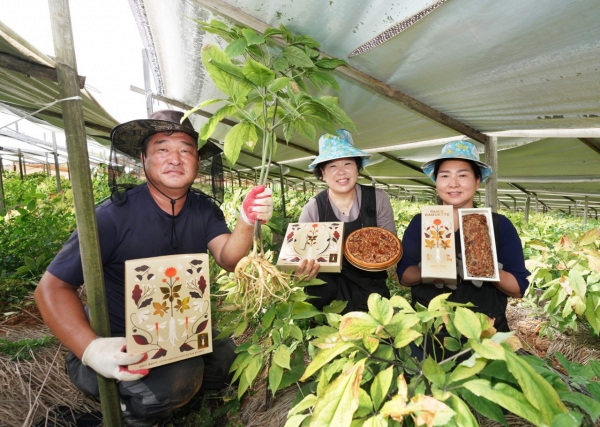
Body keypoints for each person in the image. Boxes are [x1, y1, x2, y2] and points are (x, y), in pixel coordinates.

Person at [34, 110, 273, 426]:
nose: (175, 158)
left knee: (230, 359)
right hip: (117, 341)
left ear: (198, 161)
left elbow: (227, 259)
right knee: (174, 382)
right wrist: (91, 348)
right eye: (162, 149)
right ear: (143, 158)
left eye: (186, 150)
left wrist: (246, 220)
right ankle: (130, 414)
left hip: (178, 329)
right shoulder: (111, 217)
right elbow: (50, 288)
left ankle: (180, 404)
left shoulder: (203, 209)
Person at [397, 140, 529, 339]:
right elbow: (404, 276)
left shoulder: (499, 226)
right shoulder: (421, 222)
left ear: (477, 181)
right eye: (444, 176)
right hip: (429, 331)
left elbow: (519, 288)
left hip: (484, 330)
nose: (453, 183)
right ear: (436, 182)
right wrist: (429, 269)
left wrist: (489, 271)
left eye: (462, 175)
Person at [295, 129, 397, 312]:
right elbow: (300, 257)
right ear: (322, 173)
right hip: (326, 293)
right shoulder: (313, 208)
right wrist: (301, 271)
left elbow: (389, 247)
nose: (341, 172)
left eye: (348, 163)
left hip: (371, 291)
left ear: (358, 167)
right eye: (332, 166)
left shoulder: (377, 198)